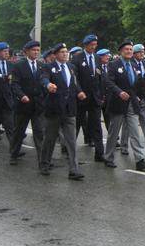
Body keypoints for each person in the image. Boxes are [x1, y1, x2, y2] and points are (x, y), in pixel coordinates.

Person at [103, 40, 145, 171]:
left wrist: (138, 96)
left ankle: (140, 160)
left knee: (135, 132)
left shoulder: (134, 66)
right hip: (118, 103)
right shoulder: (113, 65)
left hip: (131, 104)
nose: (129, 51)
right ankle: (108, 157)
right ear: (121, 51)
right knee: (113, 133)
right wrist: (119, 92)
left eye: (130, 49)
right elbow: (109, 82)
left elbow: (138, 84)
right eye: (126, 49)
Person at [40, 43, 86, 180]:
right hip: (54, 109)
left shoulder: (71, 67)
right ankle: (44, 163)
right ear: (55, 55)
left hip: (69, 109)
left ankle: (74, 169)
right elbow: (43, 78)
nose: (65, 54)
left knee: (71, 141)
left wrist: (80, 92)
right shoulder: (48, 67)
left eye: (66, 52)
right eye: (62, 52)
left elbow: (74, 83)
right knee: (50, 139)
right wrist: (48, 85)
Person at [9, 40, 45, 166]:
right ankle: (13, 154)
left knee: (39, 132)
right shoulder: (19, 66)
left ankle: (42, 159)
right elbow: (15, 84)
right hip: (23, 105)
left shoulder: (41, 65)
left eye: (38, 50)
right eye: (33, 50)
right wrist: (22, 95)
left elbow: (43, 82)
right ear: (27, 52)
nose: (36, 52)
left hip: (37, 105)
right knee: (19, 131)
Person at [72, 34, 105, 162]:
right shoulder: (77, 58)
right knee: (77, 124)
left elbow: (100, 77)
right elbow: (74, 77)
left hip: (94, 98)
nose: (93, 47)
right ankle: (69, 150)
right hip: (81, 98)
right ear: (85, 45)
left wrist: (101, 94)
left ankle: (99, 153)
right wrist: (79, 91)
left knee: (96, 125)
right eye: (91, 44)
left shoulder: (97, 58)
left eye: (95, 44)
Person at [120, 43, 145, 155]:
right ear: (134, 54)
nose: (142, 54)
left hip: (144, 97)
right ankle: (124, 145)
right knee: (128, 124)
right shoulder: (130, 64)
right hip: (133, 98)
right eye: (140, 52)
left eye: (143, 52)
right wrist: (135, 96)